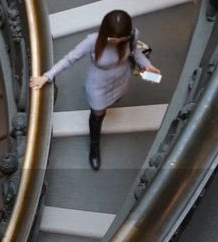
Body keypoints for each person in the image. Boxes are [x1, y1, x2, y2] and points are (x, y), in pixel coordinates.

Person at [30, 9, 162, 170]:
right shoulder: (92, 41)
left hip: (121, 79)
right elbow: (69, 59)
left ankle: (109, 107)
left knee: (117, 98)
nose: (117, 42)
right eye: (113, 38)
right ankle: (94, 144)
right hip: (98, 84)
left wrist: (148, 66)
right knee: (98, 112)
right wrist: (46, 76)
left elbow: (134, 52)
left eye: (122, 39)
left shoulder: (132, 36)